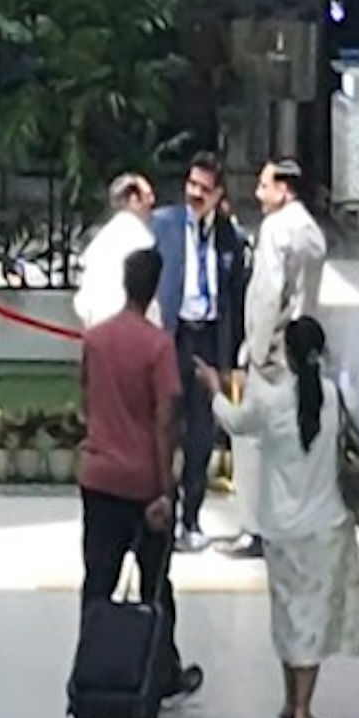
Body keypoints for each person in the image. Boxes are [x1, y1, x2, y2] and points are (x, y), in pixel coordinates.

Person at [227, 311, 359, 718]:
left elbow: (235, 422)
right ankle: (302, 705)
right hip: (327, 525)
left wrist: (213, 392)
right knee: (311, 614)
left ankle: (294, 702)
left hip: (280, 528)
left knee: (288, 613)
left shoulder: (270, 402)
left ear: (287, 354)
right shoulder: (335, 398)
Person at [72, 244, 198, 709]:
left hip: (99, 477)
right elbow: (166, 416)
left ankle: (87, 674)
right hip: (144, 484)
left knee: (98, 580)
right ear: (154, 289)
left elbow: (85, 396)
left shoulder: (97, 338)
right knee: (155, 585)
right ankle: (159, 672)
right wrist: (166, 487)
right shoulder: (158, 346)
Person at [151, 161, 250, 553]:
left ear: (218, 196)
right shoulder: (163, 226)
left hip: (208, 339)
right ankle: (163, 512)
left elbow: (236, 298)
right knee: (165, 427)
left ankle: (191, 516)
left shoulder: (231, 238)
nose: (195, 193)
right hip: (173, 338)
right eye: (191, 184)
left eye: (204, 188)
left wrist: (233, 355)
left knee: (202, 432)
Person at [247, 155, 329, 351]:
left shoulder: (274, 228)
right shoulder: (313, 231)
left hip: (277, 345)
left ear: (283, 189)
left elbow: (268, 295)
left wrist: (257, 350)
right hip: (306, 338)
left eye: (264, 186)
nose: (258, 193)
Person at [70, 171, 156, 327]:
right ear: (133, 200)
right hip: (129, 329)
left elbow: (83, 300)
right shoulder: (141, 239)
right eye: (148, 196)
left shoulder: (100, 242)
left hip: (98, 329)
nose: (153, 201)